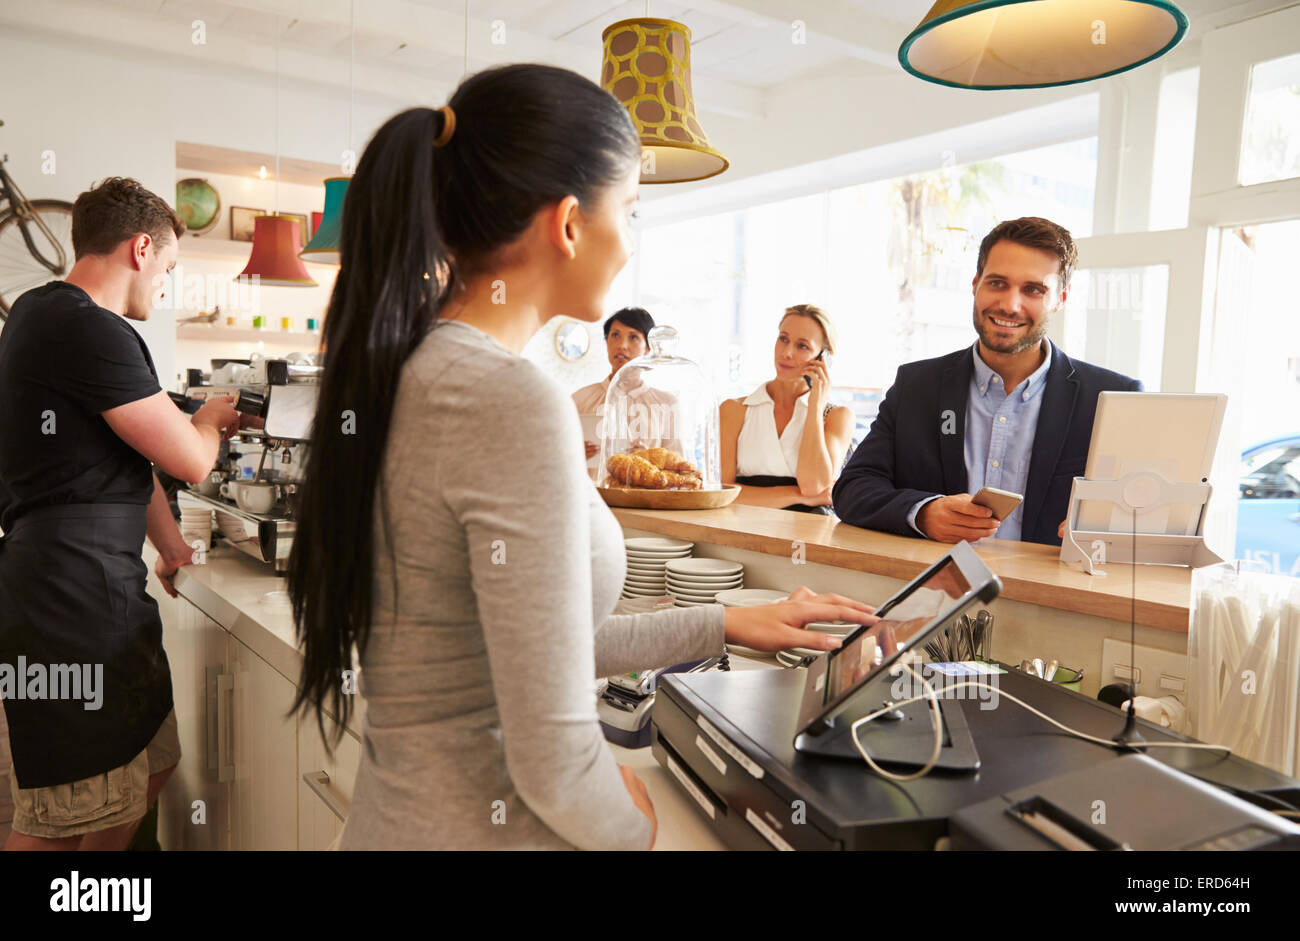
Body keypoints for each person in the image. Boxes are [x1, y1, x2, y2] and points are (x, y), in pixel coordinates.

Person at [285, 64, 878, 851]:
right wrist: (638, 829)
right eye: (628, 211)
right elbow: (554, 757)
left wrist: (729, 621)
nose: (629, 244)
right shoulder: (507, 398)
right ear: (569, 223)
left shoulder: (418, 366)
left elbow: (524, 642)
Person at [0, 177, 242, 850]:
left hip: (94, 590)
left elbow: (127, 468)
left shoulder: (39, 312)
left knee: (151, 765)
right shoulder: (87, 327)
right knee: (62, 811)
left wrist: (170, 547)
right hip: (70, 605)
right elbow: (191, 461)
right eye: (165, 269)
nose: (163, 287)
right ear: (141, 248)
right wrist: (210, 420)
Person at [833, 216, 1142, 546]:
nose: (1010, 304)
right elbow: (853, 488)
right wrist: (923, 513)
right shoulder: (916, 386)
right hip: (937, 589)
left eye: (1033, 289)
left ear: (1060, 298)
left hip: (1050, 595)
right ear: (975, 283)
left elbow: (1141, 512)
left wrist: (1114, 530)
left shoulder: (1112, 398)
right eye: (997, 283)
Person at [720, 305, 855, 514]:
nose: (787, 353)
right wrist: (796, 495)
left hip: (806, 539)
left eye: (802, 346)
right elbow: (722, 494)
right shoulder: (734, 410)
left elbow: (815, 486)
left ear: (823, 357)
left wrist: (815, 407)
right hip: (742, 532)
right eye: (783, 339)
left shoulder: (836, 417)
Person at [572, 307, 676, 479]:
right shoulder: (579, 399)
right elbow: (554, 460)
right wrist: (574, 455)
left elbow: (679, 470)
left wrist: (651, 461)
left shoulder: (667, 404)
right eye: (615, 335)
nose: (622, 345)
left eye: (633, 337)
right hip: (592, 500)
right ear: (606, 342)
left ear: (648, 349)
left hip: (646, 502)